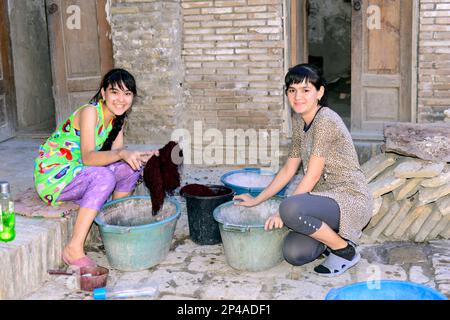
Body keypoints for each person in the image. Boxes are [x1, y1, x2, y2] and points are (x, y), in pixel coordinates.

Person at [234, 63, 373, 276]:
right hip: (322, 198)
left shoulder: (325, 120)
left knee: (290, 209)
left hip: (349, 198)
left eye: (306, 90)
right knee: (294, 253)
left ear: (320, 92)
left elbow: (313, 175)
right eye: (292, 90)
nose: (298, 97)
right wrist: (256, 200)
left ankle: (344, 250)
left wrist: (286, 210)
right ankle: (334, 236)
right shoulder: (300, 122)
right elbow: (288, 170)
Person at [34, 68, 158, 268]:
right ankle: (73, 248)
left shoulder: (119, 120)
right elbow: (89, 157)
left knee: (131, 169)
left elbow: (117, 158)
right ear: (103, 93)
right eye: (114, 92)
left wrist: (141, 157)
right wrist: (121, 154)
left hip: (78, 173)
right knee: (104, 177)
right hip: (53, 176)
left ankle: (113, 226)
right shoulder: (90, 112)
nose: (121, 99)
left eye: (127, 94)